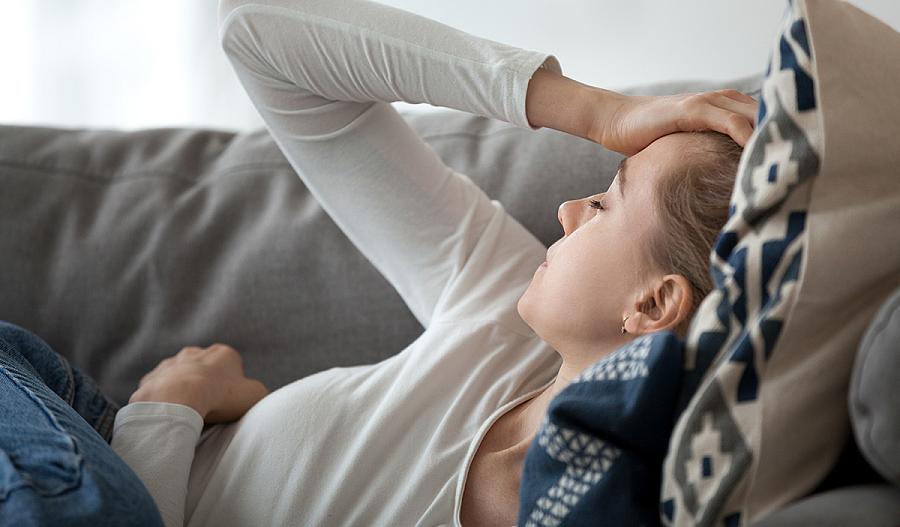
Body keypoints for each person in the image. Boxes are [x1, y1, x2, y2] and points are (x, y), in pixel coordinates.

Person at [0, 0, 757, 525]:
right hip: (54, 425)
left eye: (604, 204)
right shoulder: (496, 307)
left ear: (653, 304)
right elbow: (260, 36)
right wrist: (597, 111)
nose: (565, 210)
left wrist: (165, 415)